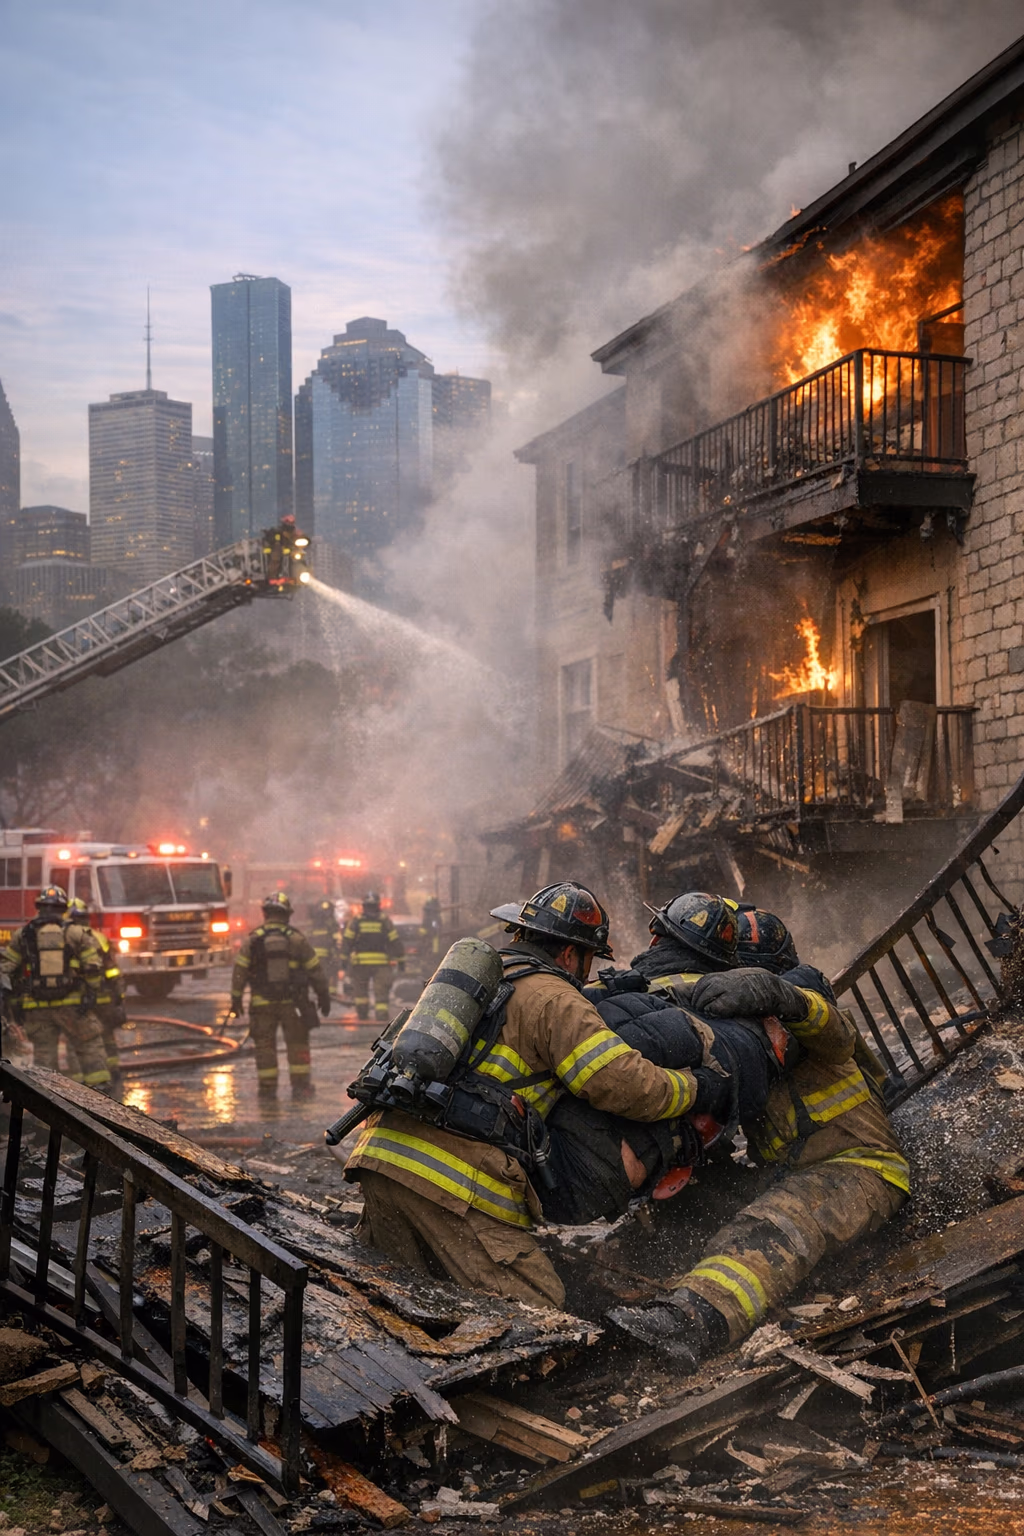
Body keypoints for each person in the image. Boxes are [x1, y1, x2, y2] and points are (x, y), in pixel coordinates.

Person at [345, 881, 722, 1310]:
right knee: (537, 1314)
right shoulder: (554, 997)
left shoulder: (475, 983)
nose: (585, 974)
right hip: (449, 1182)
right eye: (587, 961)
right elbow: (623, 1083)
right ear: (567, 954)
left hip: (380, 1158)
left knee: (404, 1304)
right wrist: (695, 1088)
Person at [608, 896, 909, 1370]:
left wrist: (784, 997)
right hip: (788, 1169)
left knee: (774, 1226)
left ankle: (692, 1320)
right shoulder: (741, 1028)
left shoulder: (797, 1009)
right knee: (708, 1195)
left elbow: (834, 1033)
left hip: (860, 1167)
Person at [0, 886, 111, 1092]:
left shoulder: (22, 935)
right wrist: (91, 994)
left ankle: (49, 1100)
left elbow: (6, 969)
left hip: (36, 1007)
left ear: (39, 907)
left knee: (44, 1055)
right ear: (63, 908)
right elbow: (93, 967)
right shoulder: (77, 933)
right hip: (74, 1007)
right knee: (89, 1046)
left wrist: (14, 1004)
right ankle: (102, 1093)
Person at [229, 892, 331, 1099]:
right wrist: (323, 995)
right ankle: (301, 1087)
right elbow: (315, 971)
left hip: (261, 1005)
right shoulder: (297, 939)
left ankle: (267, 1089)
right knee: (298, 1045)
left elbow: (239, 972)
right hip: (293, 1005)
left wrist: (236, 999)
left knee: (265, 1047)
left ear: (266, 913)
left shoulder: (253, 940)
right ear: (287, 914)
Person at [66, 896, 127, 1092]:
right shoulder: (99, 937)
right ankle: (113, 1072)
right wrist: (119, 996)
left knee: (77, 1039)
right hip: (104, 996)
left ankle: (79, 1082)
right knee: (107, 1035)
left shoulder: (65, 938)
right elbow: (113, 970)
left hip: (78, 998)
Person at [340, 893, 404, 1022]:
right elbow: (395, 941)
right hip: (381, 965)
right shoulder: (384, 921)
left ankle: (362, 1015)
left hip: (360, 965)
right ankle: (381, 1018)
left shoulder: (356, 921)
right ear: (378, 905)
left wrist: (343, 959)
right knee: (381, 992)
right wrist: (401, 959)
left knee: (360, 992)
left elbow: (347, 941)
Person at [308, 898, 342, 982]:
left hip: (314, 956)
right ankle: (330, 992)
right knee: (330, 972)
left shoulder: (313, 925)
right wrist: (337, 953)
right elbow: (335, 940)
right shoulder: (332, 925)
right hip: (327, 954)